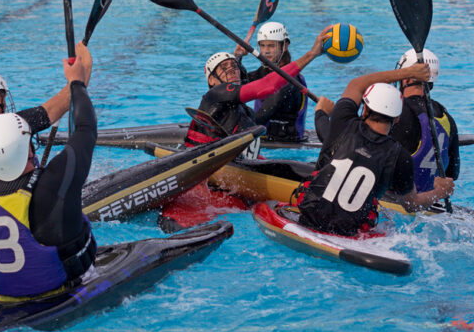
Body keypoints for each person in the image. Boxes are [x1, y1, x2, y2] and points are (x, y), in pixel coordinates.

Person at [0, 55, 97, 302]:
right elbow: (86, 130)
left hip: (4, 300)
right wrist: (77, 83)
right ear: (28, 149)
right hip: (64, 290)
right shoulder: (55, 181)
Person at [294, 64, 455, 237]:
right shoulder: (401, 157)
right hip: (352, 233)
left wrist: (409, 72)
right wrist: (440, 192)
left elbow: (357, 84)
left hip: (308, 218)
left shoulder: (343, 120)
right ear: (397, 118)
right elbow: (412, 205)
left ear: (364, 109)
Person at [0, 42, 93, 207]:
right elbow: (65, 101)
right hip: (23, 214)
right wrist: (85, 69)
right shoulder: (8, 128)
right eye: (2, 97)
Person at [185, 29, 329, 154]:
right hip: (199, 154)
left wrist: (239, 58)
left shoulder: (243, 111)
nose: (232, 70)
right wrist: (311, 54)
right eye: (224, 67)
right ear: (211, 81)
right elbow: (266, 85)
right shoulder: (216, 93)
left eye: (234, 66)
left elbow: (246, 82)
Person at [390, 48, 460, 192]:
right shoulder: (447, 118)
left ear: (406, 78)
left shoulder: (395, 110)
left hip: (396, 200)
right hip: (430, 200)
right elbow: (453, 173)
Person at [232, 22, 316, 142]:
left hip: (287, 145)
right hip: (266, 138)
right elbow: (233, 89)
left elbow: (261, 116)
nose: (266, 51)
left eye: (271, 46)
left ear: (285, 46)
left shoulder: (290, 81)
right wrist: (238, 57)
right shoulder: (262, 73)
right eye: (262, 45)